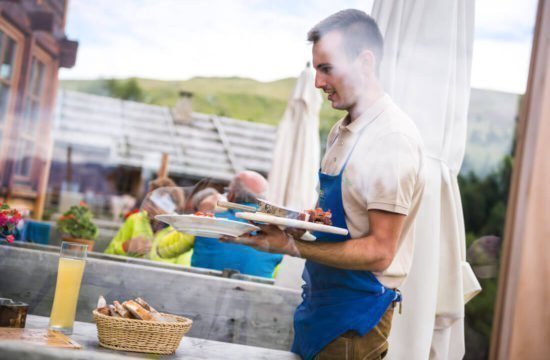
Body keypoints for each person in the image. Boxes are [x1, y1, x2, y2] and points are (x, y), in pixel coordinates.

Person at [228, 9, 426, 359]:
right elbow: (347, 220)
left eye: (327, 68)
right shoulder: (341, 129)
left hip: (355, 320)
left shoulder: (391, 139)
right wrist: (298, 224)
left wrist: (290, 247)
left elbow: (380, 251)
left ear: (364, 62)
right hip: (320, 306)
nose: (318, 82)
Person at [191, 171, 283, 278]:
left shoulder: (207, 220)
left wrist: (201, 213)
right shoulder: (279, 232)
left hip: (200, 290)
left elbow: (167, 249)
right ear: (264, 200)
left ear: (231, 195)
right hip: (254, 293)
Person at [104, 178, 194, 266]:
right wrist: (124, 247)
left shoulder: (180, 232)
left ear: (168, 209)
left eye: (153, 204)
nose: (145, 207)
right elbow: (107, 256)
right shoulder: (134, 220)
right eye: (147, 201)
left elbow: (183, 269)